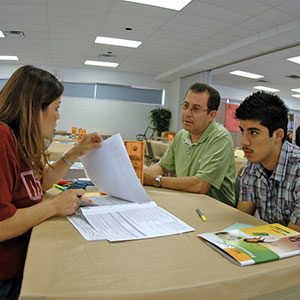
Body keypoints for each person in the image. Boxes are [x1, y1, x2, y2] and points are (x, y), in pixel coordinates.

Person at [0, 65, 102, 300]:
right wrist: (53, 206)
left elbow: (38, 183)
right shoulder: (2, 138)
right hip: (7, 279)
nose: (58, 116)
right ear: (34, 109)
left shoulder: (18, 139)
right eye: (56, 108)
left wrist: (76, 151)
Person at [143, 82, 236, 207]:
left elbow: (200, 185)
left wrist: (156, 180)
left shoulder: (220, 138)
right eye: (185, 106)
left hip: (215, 208)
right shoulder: (182, 135)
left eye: (196, 109)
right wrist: (139, 176)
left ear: (212, 115)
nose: (187, 113)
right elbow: (162, 166)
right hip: (186, 199)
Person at [235, 91, 300, 233]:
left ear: (278, 135)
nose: (243, 142)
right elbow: (242, 219)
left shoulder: (298, 171)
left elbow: (293, 238)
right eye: (242, 131)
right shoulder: (251, 166)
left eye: (253, 132)